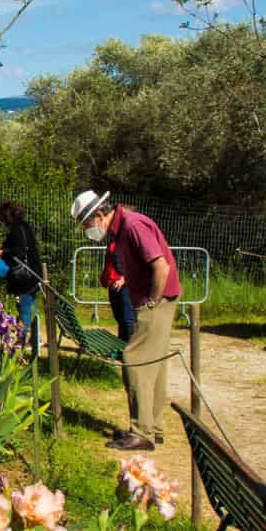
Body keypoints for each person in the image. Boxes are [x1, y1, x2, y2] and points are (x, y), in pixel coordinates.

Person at [71, 189, 180, 451]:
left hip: (156, 302)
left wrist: (151, 302)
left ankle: (141, 432)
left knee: (133, 359)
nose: (88, 230)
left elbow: (160, 266)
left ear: (99, 214)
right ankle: (152, 428)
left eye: (87, 224)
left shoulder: (132, 225)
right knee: (155, 364)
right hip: (154, 300)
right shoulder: (124, 228)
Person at [0, 201, 41, 346]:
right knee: (29, 305)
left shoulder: (16, 229)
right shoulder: (24, 226)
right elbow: (16, 246)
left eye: (2, 218)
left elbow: (19, 251)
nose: (2, 221)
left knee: (24, 306)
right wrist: (0, 248)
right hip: (34, 273)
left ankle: (22, 340)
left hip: (25, 277)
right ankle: (32, 336)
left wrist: (1, 252)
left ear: (7, 215)